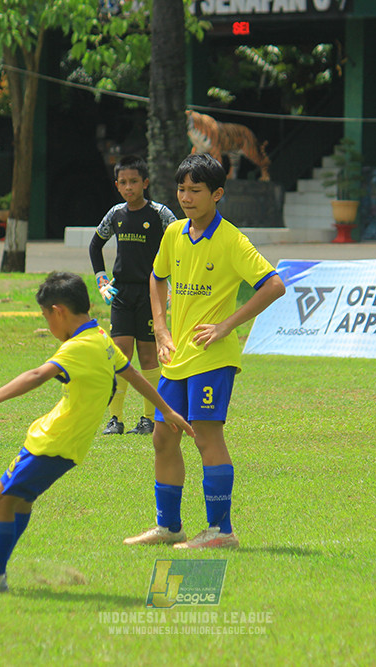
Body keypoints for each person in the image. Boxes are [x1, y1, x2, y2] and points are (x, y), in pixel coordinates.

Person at [0, 271, 194, 595]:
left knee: (1, 500)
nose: (48, 325)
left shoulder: (78, 347)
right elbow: (133, 374)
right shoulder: (102, 340)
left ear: (59, 311)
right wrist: (165, 409)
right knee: (18, 501)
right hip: (56, 442)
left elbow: (37, 375)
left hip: (54, 443)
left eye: (45, 317)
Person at [124, 153, 286, 550]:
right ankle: (169, 527)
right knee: (163, 436)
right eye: (181, 189)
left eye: (195, 190)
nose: (186, 197)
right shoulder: (174, 233)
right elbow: (157, 277)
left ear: (217, 194)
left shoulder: (232, 239)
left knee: (205, 437)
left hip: (213, 358)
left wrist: (227, 324)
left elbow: (274, 285)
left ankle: (221, 531)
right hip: (177, 358)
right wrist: (160, 331)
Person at [89, 155, 178, 437]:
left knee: (149, 357)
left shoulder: (160, 214)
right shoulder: (115, 214)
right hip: (122, 294)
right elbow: (95, 246)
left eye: (134, 182)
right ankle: (115, 419)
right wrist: (102, 279)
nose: (129, 187)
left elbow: (181, 245)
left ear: (145, 183)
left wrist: (172, 285)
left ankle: (148, 418)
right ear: (117, 185)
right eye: (123, 183)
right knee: (119, 355)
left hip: (151, 293)